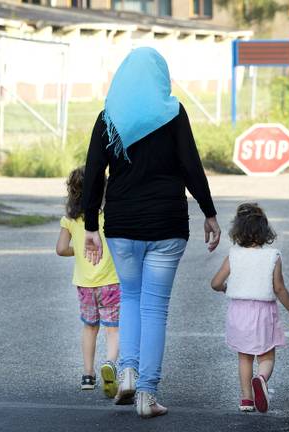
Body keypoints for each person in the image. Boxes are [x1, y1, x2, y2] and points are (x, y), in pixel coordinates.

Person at [82, 47, 221, 419]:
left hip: (122, 225)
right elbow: (191, 165)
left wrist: (90, 225)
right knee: (154, 308)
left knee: (129, 297)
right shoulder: (172, 113)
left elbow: (94, 171)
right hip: (166, 224)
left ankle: (127, 370)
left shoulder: (108, 116)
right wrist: (209, 212)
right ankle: (147, 393)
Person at [210, 203, 289, 413]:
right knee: (266, 356)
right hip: (263, 313)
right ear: (265, 232)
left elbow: (215, 283)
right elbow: (279, 288)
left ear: (238, 232)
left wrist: (226, 288)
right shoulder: (272, 256)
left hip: (239, 312)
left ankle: (246, 399)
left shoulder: (233, 255)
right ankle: (261, 379)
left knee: (244, 357)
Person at [55, 166, 120, 399]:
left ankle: (87, 375)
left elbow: (61, 249)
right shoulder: (109, 214)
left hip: (84, 283)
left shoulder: (70, 219)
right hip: (111, 281)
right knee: (113, 328)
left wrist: (80, 252)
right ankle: (111, 364)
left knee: (90, 327)